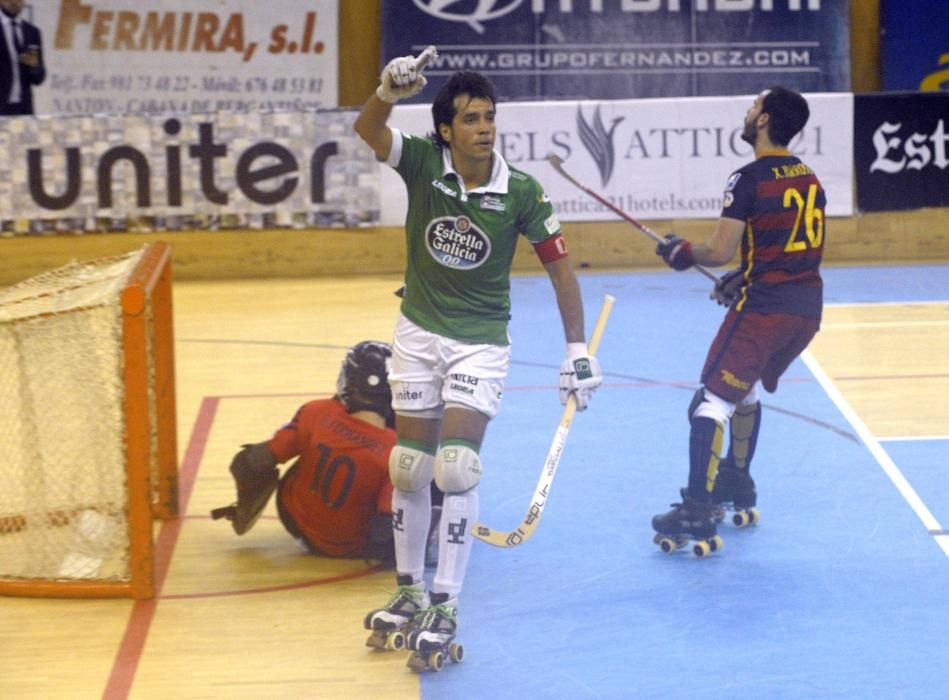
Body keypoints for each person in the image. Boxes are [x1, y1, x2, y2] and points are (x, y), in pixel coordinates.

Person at [353, 48, 603, 659]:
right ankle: (409, 592)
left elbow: (561, 271)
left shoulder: (520, 190)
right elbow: (366, 130)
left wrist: (576, 351)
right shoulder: (421, 164)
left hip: (480, 342)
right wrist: (385, 91)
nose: (484, 127)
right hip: (417, 334)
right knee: (408, 469)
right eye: (470, 118)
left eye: (489, 116)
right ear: (445, 129)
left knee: (456, 468)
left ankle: (446, 603)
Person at [651, 86, 825, 555]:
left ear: (765, 119)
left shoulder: (748, 178)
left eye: (753, 107)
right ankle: (737, 483)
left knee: (709, 401)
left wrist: (682, 253)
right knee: (742, 387)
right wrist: (741, 276)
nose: (747, 112)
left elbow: (719, 247)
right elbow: (793, 250)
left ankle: (697, 507)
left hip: (765, 310)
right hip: (805, 311)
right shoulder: (809, 178)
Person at [211, 341, 442, 567]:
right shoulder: (396, 448)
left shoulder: (316, 412)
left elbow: (250, 463)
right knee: (429, 470)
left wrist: (245, 504)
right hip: (352, 545)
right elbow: (386, 522)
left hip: (294, 521)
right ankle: (430, 545)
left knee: (304, 446)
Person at [0, 0, 45, 116]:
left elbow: (39, 78)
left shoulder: (32, 32)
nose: (15, 2)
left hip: (23, 108)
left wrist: (34, 66)